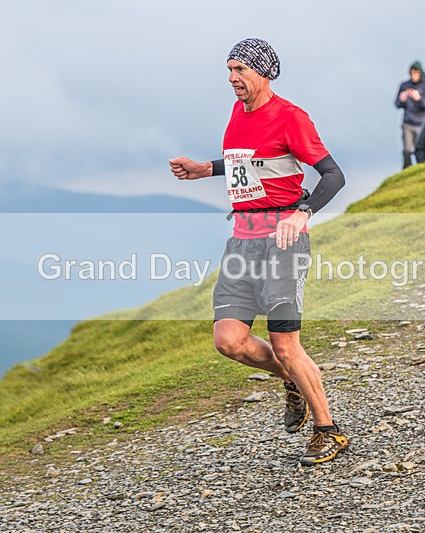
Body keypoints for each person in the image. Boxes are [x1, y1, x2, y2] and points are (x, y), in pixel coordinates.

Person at [169, 38, 348, 466]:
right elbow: (246, 161)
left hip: (282, 242)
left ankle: (328, 430)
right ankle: (291, 381)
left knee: (286, 344)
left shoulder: (291, 117)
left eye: (240, 70)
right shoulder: (238, 112)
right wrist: (204, 169)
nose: (232, 78)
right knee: (228, 340)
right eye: (229, 70)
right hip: (241, 242)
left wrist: (301, 212)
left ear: (263, 73)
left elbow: (333, 176)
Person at [394, 61, 425, 169]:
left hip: (422, 123)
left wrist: (418, 98)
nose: (413, 75)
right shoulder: (404, 85)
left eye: (416, 73)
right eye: (411, 73)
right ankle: (406, 170)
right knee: (407, 150)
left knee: (420, 149)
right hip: (408, 123)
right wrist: (402, 99)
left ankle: (422, 169)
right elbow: (397, 104)